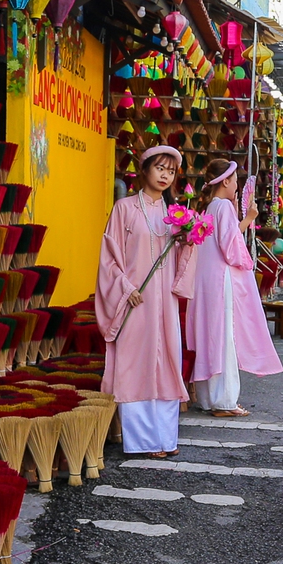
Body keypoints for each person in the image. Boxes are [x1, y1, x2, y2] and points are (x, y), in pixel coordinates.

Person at [97, 145, 196, 457]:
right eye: (160, 168)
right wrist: (126, 289)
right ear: (145, 170)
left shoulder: (175, 215)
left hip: (164, 302)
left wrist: (189, 240)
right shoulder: (124, 209)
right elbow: (109, 259)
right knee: (135, 363)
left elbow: (182, 260)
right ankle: (142, 441)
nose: (165, 175)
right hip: (135, 301)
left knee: (166, 360)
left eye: (171, 171)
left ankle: (166, 439)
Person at [186, 160, 282, 417]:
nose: (237, 186)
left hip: (204, 279)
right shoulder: (225, 207)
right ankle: (225, 401)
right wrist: (249, 218)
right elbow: (230, 247)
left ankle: (209, 398)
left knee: (209, 334)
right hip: (220, 280)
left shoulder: (206, 207)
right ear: (225, 181)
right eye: (235, 180)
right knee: (224, 336)